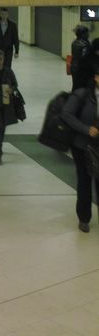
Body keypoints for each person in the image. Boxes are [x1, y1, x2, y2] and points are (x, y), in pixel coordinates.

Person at [62, 61, 99, 232]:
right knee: (85, 182)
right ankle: (84, 218)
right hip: (82, 146)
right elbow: (66, 114)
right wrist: (86, 129)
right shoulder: (82, 94)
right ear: (96, 78)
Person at [70, 24, 91, 90]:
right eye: (87, 33)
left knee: (75, 85)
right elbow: (85, 58)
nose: (88, 35)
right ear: (83, 34)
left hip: (74, 67)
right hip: (81, 69)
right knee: (82, 87)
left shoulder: (74, 42)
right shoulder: (85, 44)